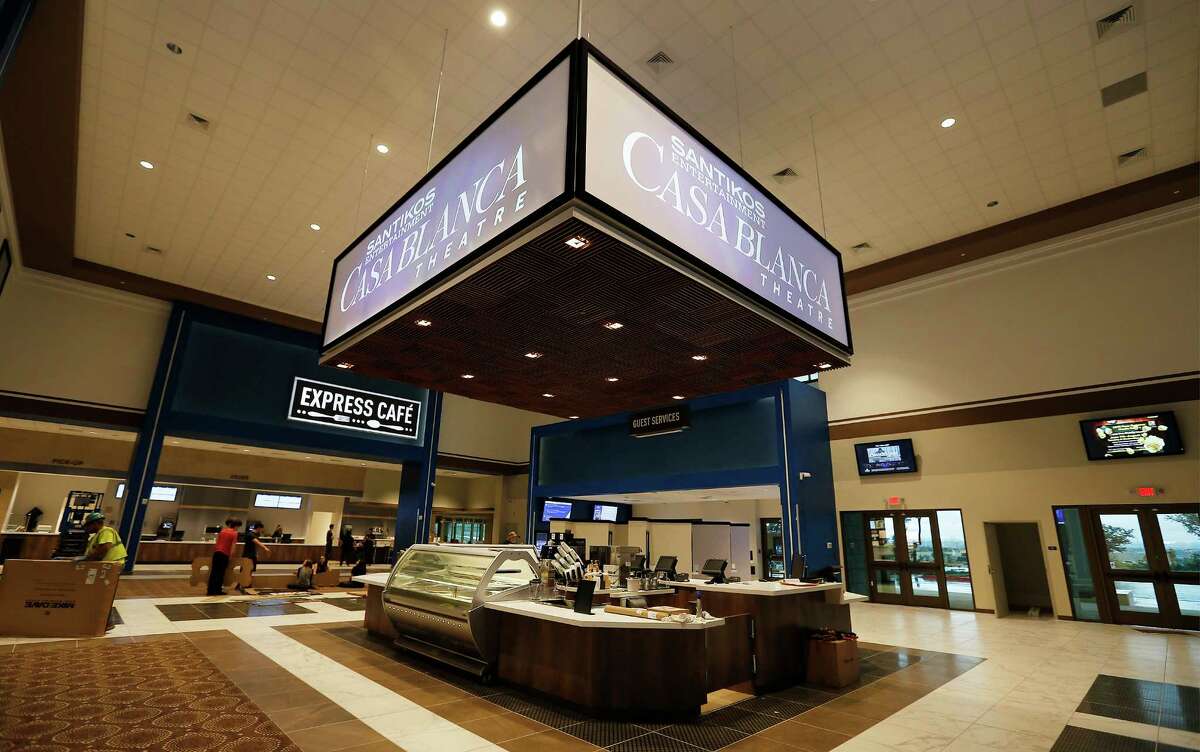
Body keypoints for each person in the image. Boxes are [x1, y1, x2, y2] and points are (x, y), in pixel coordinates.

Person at [78, 512, 127, 631]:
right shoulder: (97, 535)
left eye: (88, 525)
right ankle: (105, 621)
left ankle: (107, 622)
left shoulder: (106, 531)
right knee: (101, 594)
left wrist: (87, 559)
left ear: (95, 524)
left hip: (111, 567)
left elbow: (105, 548)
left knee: (103, 594)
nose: (87, 529)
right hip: (106, 567)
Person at [208, 517, 241, 596]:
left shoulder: (222, 531)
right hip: (224, 554)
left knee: (213, 572)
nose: (238, 528)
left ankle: (210, 590)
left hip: (217, 553)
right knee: (221, 573)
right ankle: (217, 590)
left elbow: (217, 543)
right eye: (238, 526)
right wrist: (230, 556)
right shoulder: (234, 533)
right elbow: (233, 546)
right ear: (235, 526)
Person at [236, 523, 271, 593]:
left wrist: (256, 553)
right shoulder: (250, 534)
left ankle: (247, 585)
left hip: (252, 555)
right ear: (259, 528)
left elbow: (255, 545)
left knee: (250, 571)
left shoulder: (255, 535)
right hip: (248, 555)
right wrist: (265, 548)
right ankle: (242, 585)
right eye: (261, 529)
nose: (262, 530)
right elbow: (257, 542)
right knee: (245, 571)